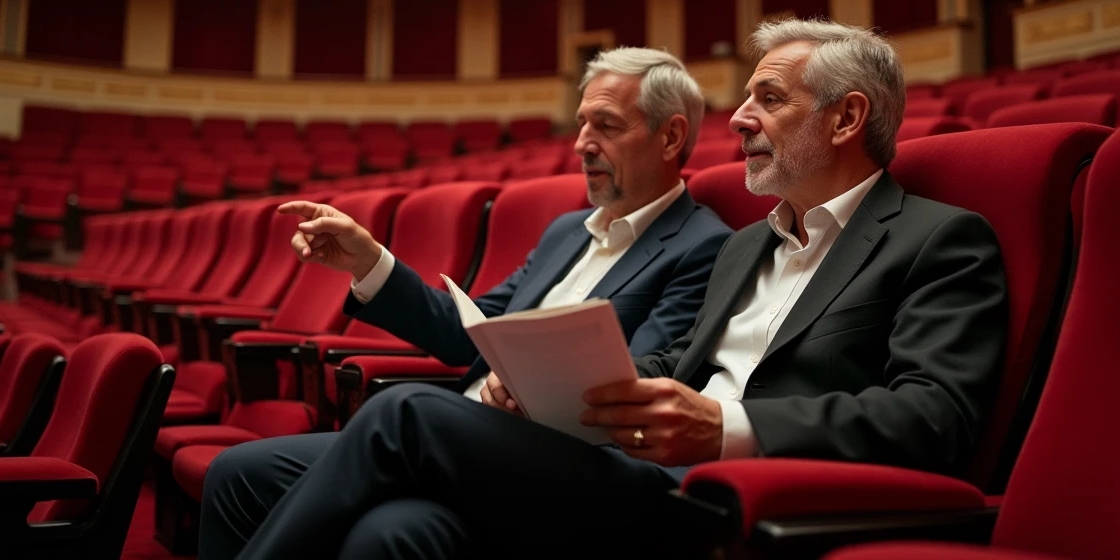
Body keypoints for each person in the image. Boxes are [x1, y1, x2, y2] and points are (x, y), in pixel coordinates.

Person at [203, 20, 1008, 560]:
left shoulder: (937, 239)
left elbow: (934, 417)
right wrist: (555, 390)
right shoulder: (746, 248)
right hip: (627, 465)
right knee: (386, 526)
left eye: (768, 99)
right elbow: (659, 365)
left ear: (846, 118)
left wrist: (727, 428)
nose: (738, 120)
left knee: (405, 411)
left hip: (719, 496)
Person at [200, 47, 733, 557]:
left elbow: (640, 382)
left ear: (670, 137)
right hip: (461, 434)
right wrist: (369, 261)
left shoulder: (702, 245)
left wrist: (531, 387)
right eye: (581, 124)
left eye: (607, 126)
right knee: (237, 473)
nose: (582, 144)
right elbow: (468, 333)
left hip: (552, 461)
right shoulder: (566, 232)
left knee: (391, 520)